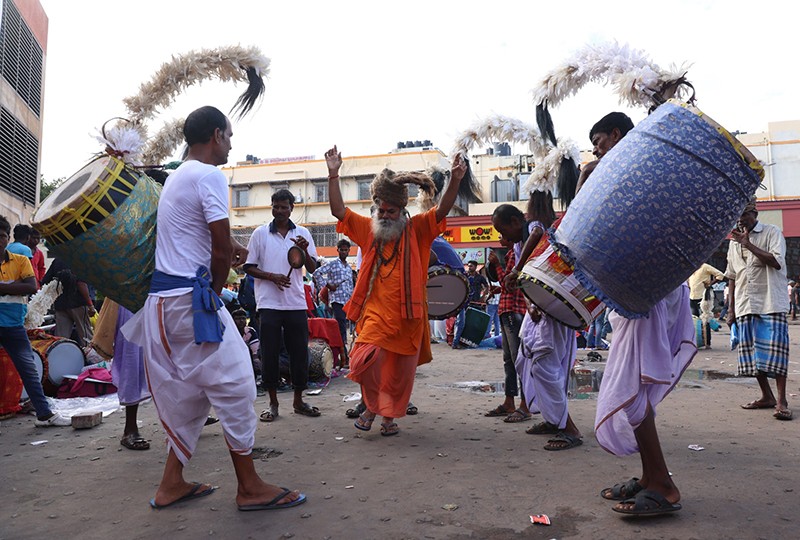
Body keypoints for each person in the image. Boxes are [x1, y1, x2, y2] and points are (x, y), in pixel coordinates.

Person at [121, 105, 305, 511]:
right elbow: (219, 251)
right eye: (230, 136)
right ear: (217, 135)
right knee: (238, 380)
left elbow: (203, 242)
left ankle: (171, 483)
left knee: (192, 390)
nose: (232, 144)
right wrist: (214, 298)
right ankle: (249, 485)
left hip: (163, 303)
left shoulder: (177, 178)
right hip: (189, 301)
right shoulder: (208, 175)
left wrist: (229, 253)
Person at [583, 112, 694, 516]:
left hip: (647, 292)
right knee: (636, 390)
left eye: (599, 140)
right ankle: (649, 478)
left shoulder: (642, 175)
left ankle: (664, 485)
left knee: (631, 392)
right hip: (639, 293)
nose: (596, 150)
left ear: (616, 135)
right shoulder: (633, 174)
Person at [324, 145, 466, 436]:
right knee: (365, 358)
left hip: (408, 317)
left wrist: (456, 180)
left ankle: (385, 418)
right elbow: (338, 210)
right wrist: (333, 174)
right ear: (375, 209)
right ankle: (373, 408)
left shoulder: (419, 230)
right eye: (381, 211)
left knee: (396, 374)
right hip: (374, 313)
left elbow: (442, 209)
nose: (386, 216)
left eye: (392, 211)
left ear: (403, 211)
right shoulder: (368, 228)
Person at [244, 189, 320, 422]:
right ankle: (273, 403)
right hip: (268, 304)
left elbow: (313, 267)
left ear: (292, 208)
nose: (279, 211)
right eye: (275, 206)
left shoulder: (303, 233)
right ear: (272, 207)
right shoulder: (259, 234)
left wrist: (305, 250)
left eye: (284, 207)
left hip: (295, 303)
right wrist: (272, 277)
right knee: (269, 354)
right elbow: (248, 266)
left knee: (299, 353)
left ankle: (298, 400)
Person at [0, 215, 70, 426]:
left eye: (2, 236)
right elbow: (25, 286)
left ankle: (44, 413)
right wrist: (13, 287)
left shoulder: (20, 260)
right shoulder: (23, 260)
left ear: (7, 238)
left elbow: (31, 286)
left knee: (29, 370)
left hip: (13, 325)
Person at [725, 199, 792, 421]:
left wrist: (749, 244)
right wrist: (731, 309)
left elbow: (776, 262)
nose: (741, 222)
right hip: (745, 303)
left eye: (744, 216)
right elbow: (732, 277)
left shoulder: (772, 232)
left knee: (777, 353)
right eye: (738, 218)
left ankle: (781, 401)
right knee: (753, 355)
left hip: (770, 301)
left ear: (755, 213)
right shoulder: (733, 242)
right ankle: (767, 396)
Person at [485, 235, 531, 423]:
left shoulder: (514, 255)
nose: (499, 237)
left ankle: (524, 405)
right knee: (510, 360)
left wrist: (496, 265)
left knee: (515, 360)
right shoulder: (516, 253)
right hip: (511, 311)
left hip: (511, 311)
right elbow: (513, 285)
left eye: (502, 233)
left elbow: (509, 284)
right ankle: (511, 402)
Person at [312, 239, 354, 366]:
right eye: (341, 249)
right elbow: (316, 273)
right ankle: (343, 357)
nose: (344, 252)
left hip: (348, 301)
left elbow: (350, 285)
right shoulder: (333, 264)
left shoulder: (348, 267)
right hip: (337, 301)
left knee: (347, 330)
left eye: (346, 250)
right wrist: (328, 286)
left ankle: (346, 356)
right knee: (340, 329)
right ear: (338, 250)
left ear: (348, 251)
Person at [42, 258, 96, 347]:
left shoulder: (57, 261)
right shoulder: (80, 260)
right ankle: (91, 358)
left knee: (61, 337)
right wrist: (90, 305)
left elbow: (45, 281)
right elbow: (81, 284)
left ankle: (58, 356)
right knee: (86, 335)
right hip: (78, 303)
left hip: (60, 304)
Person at [452, 260, 489, 349]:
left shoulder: (480, 277)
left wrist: (483, 297)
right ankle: (456, 342)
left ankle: (467, 341)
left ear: (476, 267)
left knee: (472, 323)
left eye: (471, 266)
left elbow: (486, 286)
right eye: (468, 266)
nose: (469, 268)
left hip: (476, 302)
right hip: (464, 302)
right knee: (461, 322)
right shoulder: (465, 276)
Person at [231, 308, 261, 391]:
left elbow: (255, 349)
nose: (241, 321)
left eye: (243, 318)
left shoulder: (250, 331)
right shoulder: (229, 332)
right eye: (237, 319)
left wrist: (256, 360)